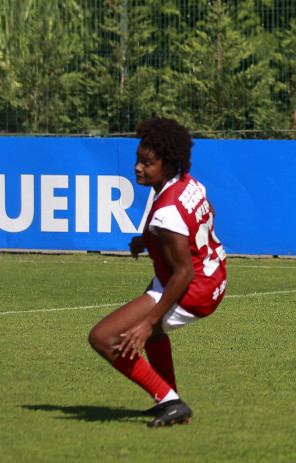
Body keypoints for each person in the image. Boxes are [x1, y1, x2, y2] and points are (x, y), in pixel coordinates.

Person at [88, 117, 227, 427]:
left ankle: (171, 402)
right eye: (138, 160)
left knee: (105, 337)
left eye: (147, 163)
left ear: (168, 163)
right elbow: (208, 214)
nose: (138, 167)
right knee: (151, 335)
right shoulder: (187, 183)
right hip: (213, 274)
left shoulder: (167, 212)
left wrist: (147, 322)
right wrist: (148, 239)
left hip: (192, 288)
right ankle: (169, 398)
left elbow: (183, 274)